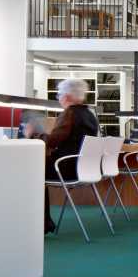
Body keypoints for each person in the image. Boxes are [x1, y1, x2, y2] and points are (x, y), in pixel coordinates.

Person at [43, 78, 99, 233]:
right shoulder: (90, 115)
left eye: (59, 95)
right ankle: (43, 222)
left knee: (34, 171)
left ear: (66, 96)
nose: (59, 98)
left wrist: (34, 134)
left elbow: (53, 140)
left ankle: (43, 222)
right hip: (82, 168)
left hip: (66, 169)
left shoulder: (69, 114)